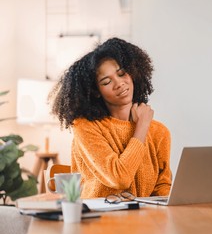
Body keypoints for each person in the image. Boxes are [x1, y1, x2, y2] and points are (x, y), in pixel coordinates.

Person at [49, 37, 172, 199]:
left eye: (122, 74)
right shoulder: (85, 127)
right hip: (99, 218)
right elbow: (119, 178)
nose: (119, 83)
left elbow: (163, 185)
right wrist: (142, 126)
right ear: (96, 91)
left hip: (144, 219)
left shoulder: (159, 132)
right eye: (107, 82)